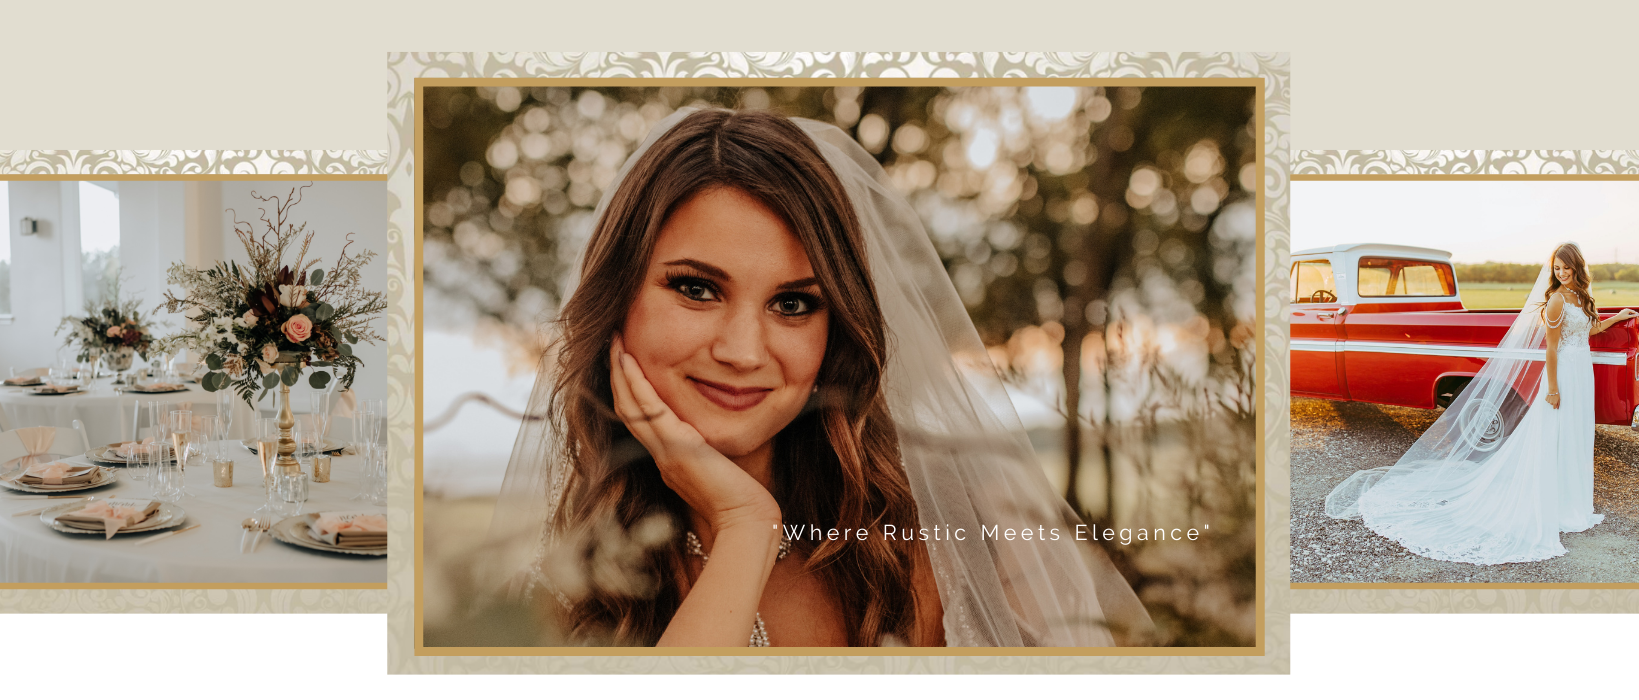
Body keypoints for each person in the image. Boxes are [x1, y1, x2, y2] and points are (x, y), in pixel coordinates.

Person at [493, 107, 1150, 646]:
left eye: (793, 304)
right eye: (696, 288)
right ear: (616, 302)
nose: (744, 351)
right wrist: (745, 526)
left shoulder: (960, 537)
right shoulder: (557, 603)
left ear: (835, 329)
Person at [1324, 242, 1639, 565]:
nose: (1561, 274)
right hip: (1563, 377)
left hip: (1582, 374)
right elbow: (1552, 350)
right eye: (1557, 269)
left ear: (1577, 268)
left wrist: (1619, 318)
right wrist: (1554, 389)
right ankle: (1555, 505)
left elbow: (1590, 329)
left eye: (1566, 269)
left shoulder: (1582, 298)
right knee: (1555, 437)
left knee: (1576, 436)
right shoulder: (1556, 301)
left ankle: (1574, 504)